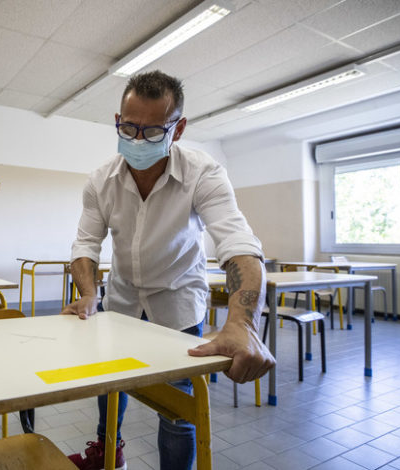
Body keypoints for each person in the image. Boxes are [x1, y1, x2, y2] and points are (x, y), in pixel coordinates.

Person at [63, 70, 275, 470]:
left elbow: (238, 245)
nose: (137, 140)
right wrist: (90, 295)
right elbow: (86, 244)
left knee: (178, 409)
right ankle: (110, 451)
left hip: (178, 299)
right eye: (129, 127)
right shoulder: (100, 181)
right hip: (123, 297)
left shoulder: (203, 173)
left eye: (152, 130)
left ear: (177, 129)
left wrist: (242, 322)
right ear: (117, 122)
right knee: (110, 385)